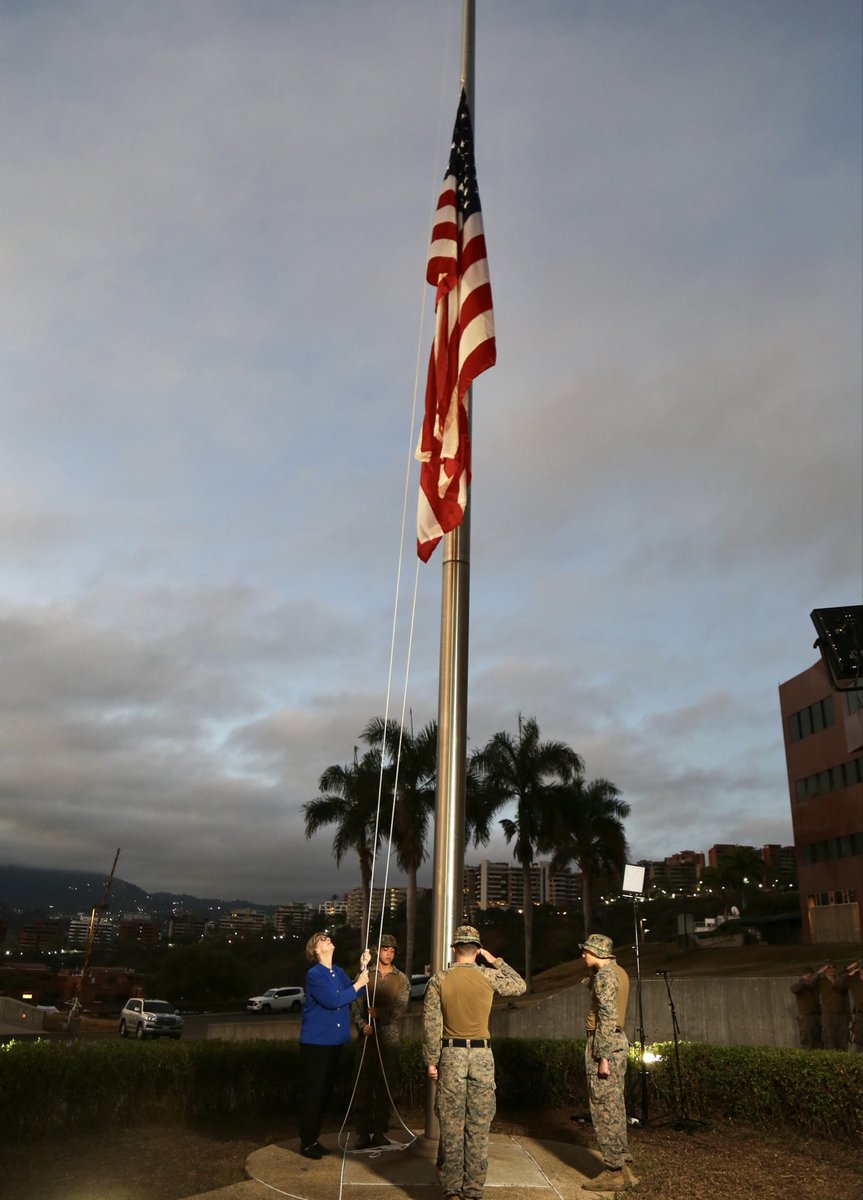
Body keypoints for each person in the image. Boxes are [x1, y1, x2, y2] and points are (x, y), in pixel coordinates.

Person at [422, 925, 526, 1200]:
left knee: (452, 1126)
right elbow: (520, 985)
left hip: (451, 1055)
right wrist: (494, 960)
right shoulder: (489, 976)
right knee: (479, 1127)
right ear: (477, 950)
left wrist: (432, 1061)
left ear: (454, 949)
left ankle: (452, 1191)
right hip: (482, 1056)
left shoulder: (438, 980)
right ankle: (474, 1191)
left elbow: (432, 1026)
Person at [298, 931, 370, 1159]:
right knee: (314, 1093)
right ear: (316, 950)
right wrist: (358, 983)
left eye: (327, 937)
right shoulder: (314, 974)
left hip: (334, 1042)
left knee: (324, 1092)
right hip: (316, 1043)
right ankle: (307, 1142)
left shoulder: (337, 971)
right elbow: (334, 1000)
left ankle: (314, 1139)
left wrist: (362, 967)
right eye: (321, 938)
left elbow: (353, 990)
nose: (327, 938)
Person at [580, 933, 633, 1193]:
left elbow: (607, 1016)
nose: (583, 955)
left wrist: (603, 1056)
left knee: (603, 1109)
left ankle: (612, 1170)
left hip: (605, 1043)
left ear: (598, 953)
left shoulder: (604, 977)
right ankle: (622, 1166)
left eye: (586, 952)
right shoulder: (618, 972)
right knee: (615, 1106)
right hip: (617, 1041)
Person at [351, 932, 410, 1148]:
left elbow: (400, 1007)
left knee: (386, 1086)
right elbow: (355, 1004)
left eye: (392, 950)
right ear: (378, 951)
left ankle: (380, 1131)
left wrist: (381, 1014)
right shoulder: (365, 974)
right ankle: (362, 1133)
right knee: (363, 1084)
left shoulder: (401, 978)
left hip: (388, 1039)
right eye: (385, 949)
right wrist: (361, 1025)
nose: (389, 953)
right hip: (367, 1038)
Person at [816, 960, 850, 1051]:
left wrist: (848, 1017)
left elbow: (846, 999)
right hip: (828, 1016)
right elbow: (809, 982)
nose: (831, 970)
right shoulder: (821, 981)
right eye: (829, 968)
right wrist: (820, 971)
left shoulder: (841, 982)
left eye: (833, 967)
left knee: (843, 1043)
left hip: (841, 1016)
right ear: (825, 970)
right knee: (829, 1043)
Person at [790, 967, 821, 1049]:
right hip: (805, 1016)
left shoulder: (814, 987)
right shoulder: (800, 986)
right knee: (807, 1040)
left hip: (816, 1015)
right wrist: (803, 981)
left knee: (817, 1040)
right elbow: (794, 989)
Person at [846, 959, 863, 1054]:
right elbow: (839, 982)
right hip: (860, 1016)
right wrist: (849, 969)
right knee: (859, 1041)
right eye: (862, 969)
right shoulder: (853, 981)